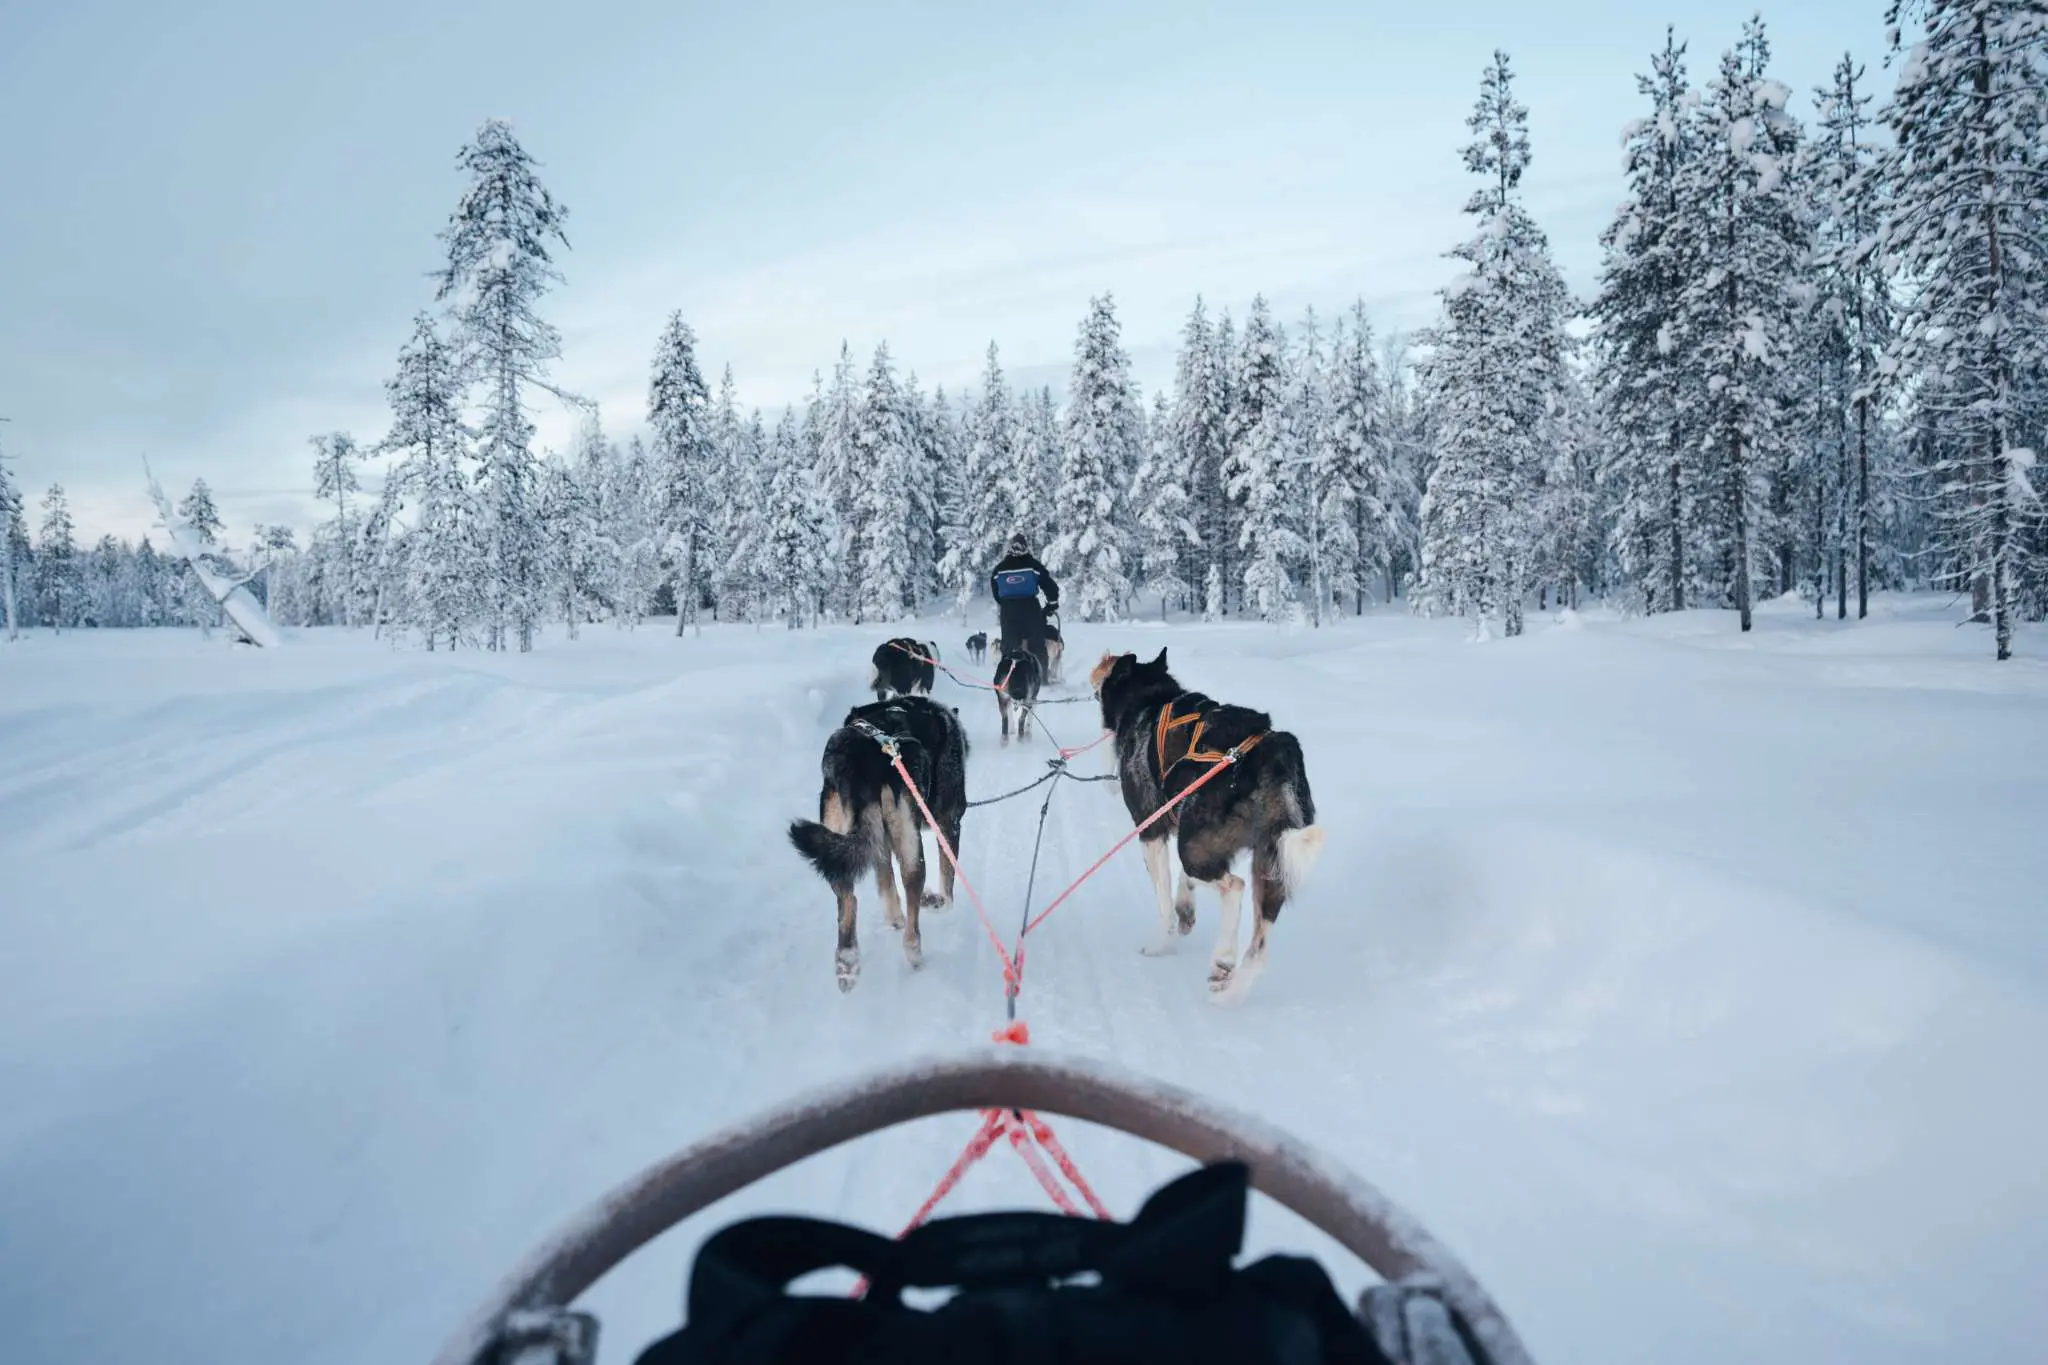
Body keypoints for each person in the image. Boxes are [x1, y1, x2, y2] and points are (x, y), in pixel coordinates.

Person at [989, 532, 1059, 675]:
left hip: (1008, 611)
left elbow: (996, 593)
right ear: (1026, 548)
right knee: (1037, 645)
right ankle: (1042, 677)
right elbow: (1049, 585)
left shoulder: (999, 569)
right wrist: (1052, 604)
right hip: (1030, 608)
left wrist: (1005, 603)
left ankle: (1007, 679)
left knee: (1009, 648)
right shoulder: (1033, 566)